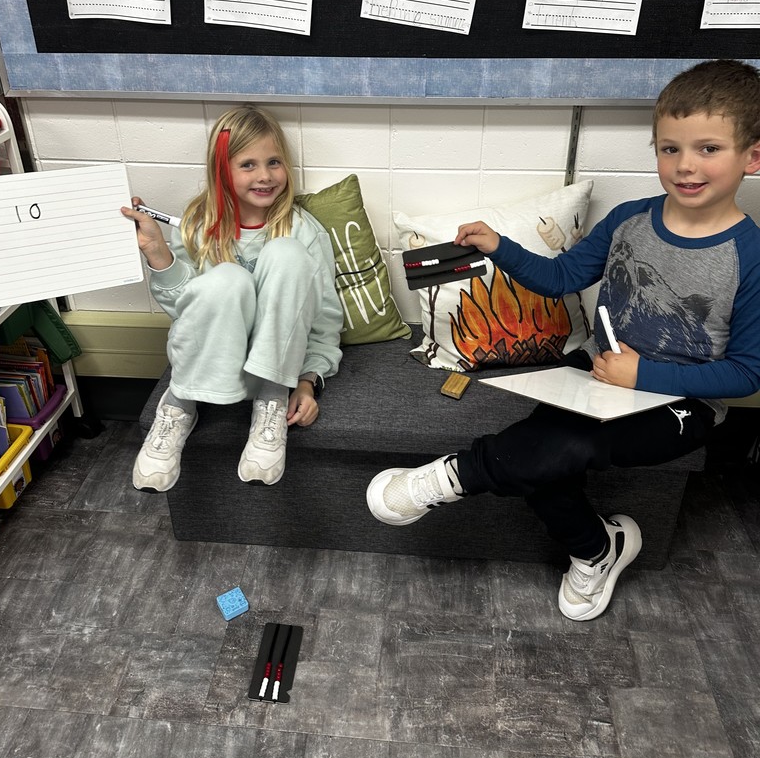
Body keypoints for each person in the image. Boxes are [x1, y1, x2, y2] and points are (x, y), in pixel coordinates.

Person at [367, 58, 760, 621]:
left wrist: (643, 375)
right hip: (595, 377)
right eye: (669, 148)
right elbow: (561, 278)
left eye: (707, 149)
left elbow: (749, 373)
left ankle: (452, 476)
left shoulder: (751, 255)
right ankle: (600, 550)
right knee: (543, 451)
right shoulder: (629, 219)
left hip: (683, 403)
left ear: (753, 156)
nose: (684, 165)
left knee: (565, 446)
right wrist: (498, 246)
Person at [122, 105, 342, 493]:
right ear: (222, 169)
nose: (265, 176)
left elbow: (322, 317)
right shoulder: (196, 225)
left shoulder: (302, 229)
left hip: (276, 365)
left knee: (287, 253)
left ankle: (271, 401)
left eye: (274, 162)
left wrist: (306, 381)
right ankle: (179, 404)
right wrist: (158, 251)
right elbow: (185, 310)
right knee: (227, 278)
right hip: (210, 358)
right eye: (248, 165)